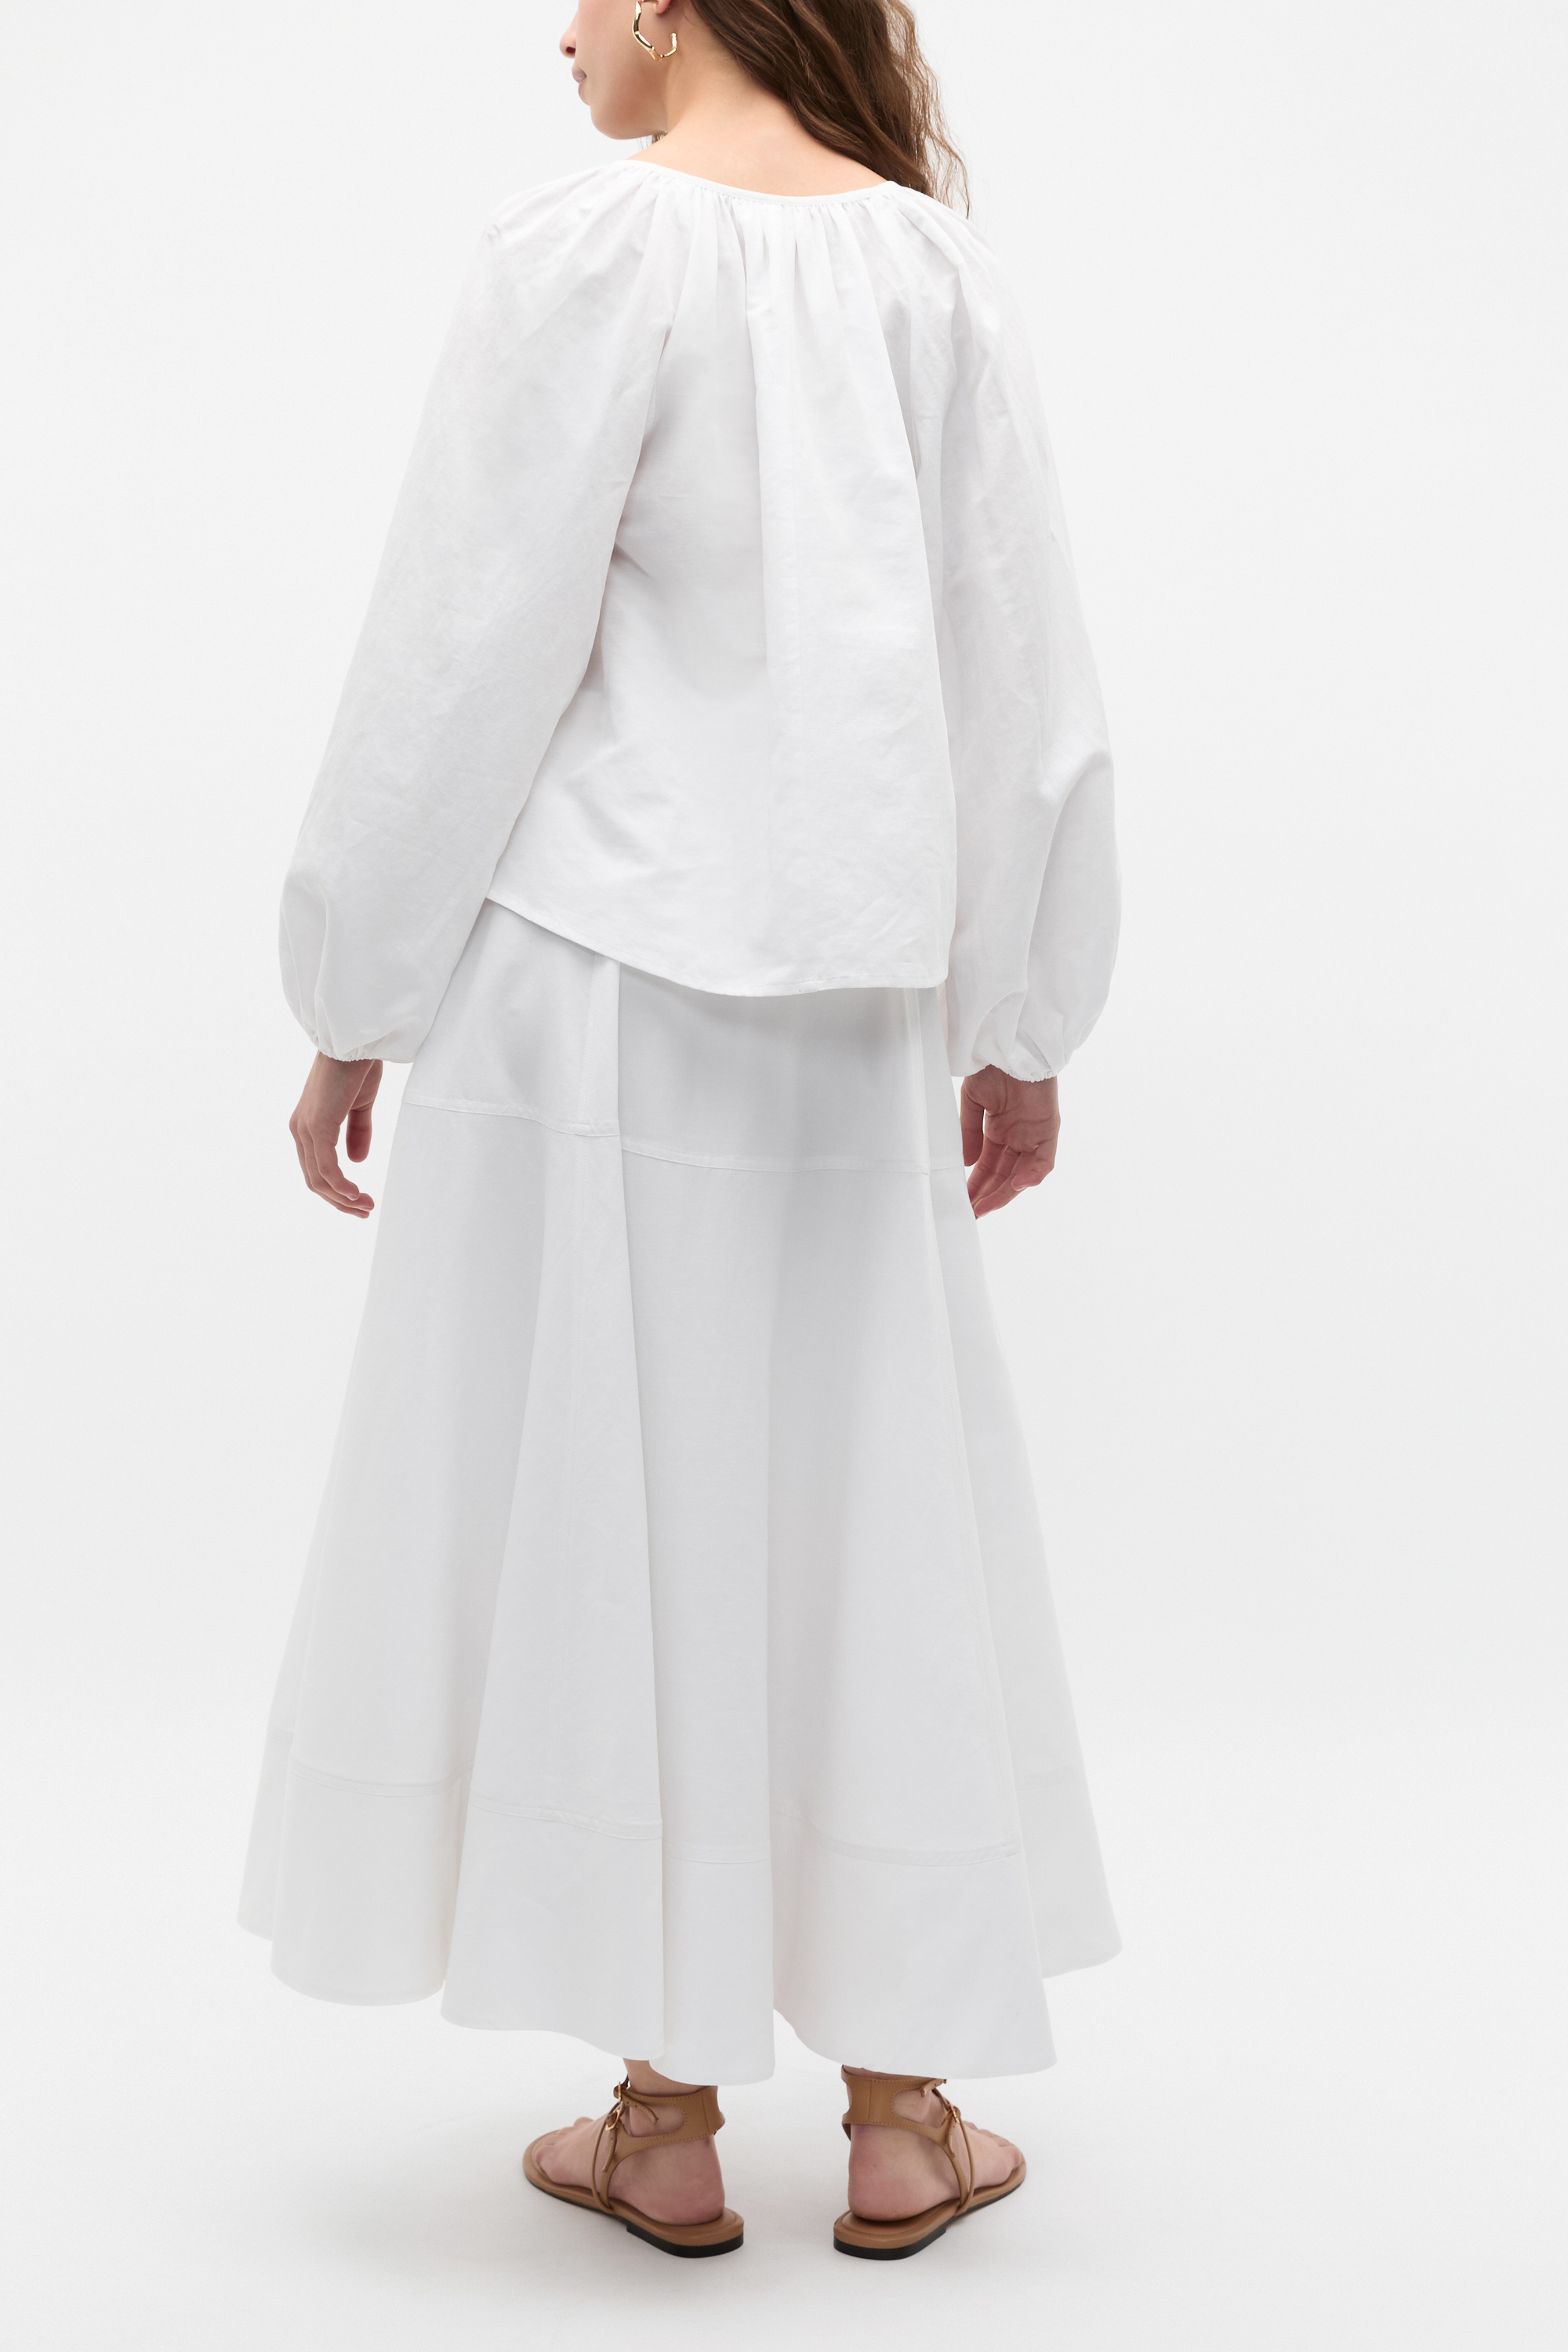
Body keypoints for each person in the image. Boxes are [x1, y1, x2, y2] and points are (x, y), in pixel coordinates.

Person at [241, 0, 1121, 2263]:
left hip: (591, 993)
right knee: (863, 1504)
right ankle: (905, 2113)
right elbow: (1019, 672)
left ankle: (665, 2114)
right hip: (851, 1006)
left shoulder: (580, 250)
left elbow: (461, 650)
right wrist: (1020, 1013)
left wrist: (356, 996)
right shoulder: (929, 270)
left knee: (614, 1518)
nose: (556, 35)